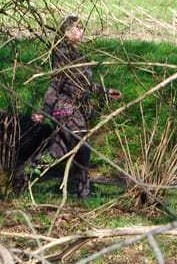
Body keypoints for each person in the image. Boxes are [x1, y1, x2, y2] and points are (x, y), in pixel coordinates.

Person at [30, 15, 121, 197]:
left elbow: (84, 84)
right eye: (77, 28)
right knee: (81, 149)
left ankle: (24, 176)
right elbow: (55, 84)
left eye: (82, 28)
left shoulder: (78, 54)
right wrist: (43, 111)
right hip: (65, 109)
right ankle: (82, 192)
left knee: (59, 150)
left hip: (74, 109)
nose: (81, 32)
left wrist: (106, 91)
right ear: (66, 32)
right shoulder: (62, 54)